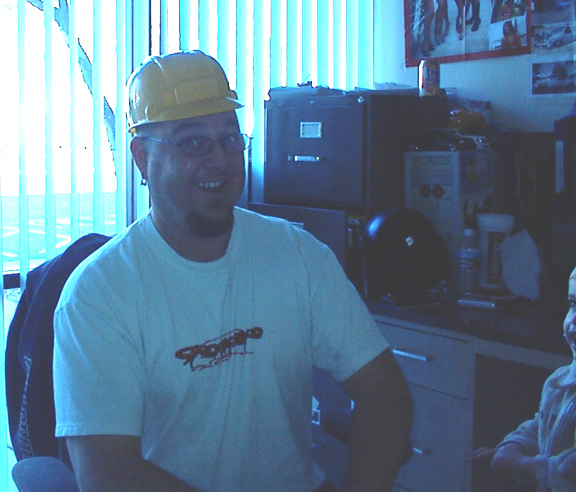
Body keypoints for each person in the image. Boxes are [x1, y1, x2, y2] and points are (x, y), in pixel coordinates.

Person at [52, 50, 413, 492]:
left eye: (229, 138)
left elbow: (383, 392)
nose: (219, 160)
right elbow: (106, 473)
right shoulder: (99, 294)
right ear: (142, 157)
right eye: (192, 142)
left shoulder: (299, 256)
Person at [471, 265, 576, 491]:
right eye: (573, 304)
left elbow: (568, 472)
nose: (574, 320)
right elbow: (541, 427)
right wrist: (510, 448)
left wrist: (518, 466)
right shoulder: (560, 382)